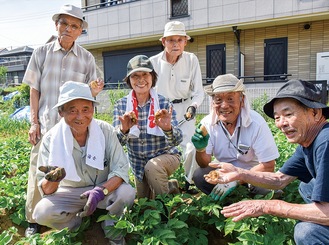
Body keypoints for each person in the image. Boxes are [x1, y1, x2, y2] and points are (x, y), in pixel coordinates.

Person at [205, 79, 329, 244]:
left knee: (306, 231)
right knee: (307, 186)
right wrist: (239, 173)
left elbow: (327, 214)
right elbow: (279, 179)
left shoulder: (325, 142)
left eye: (288, 114)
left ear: (315, 113)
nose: (281, 124)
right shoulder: (308, 141)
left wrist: (268, 206)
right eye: (277, 117)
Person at [22, 4, 104, 237]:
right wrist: (34, 122)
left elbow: (91, 92)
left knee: (76, 169)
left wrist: (94, 91)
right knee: (38, 170)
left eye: (74, 25)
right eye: (64, 23)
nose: (68, 28)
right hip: (47, 123)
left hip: (75, 127)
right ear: (56, 25)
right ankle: (33, 219)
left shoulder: (87, 58)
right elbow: (34, 90)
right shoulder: (41, 53)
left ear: (80, 31)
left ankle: (79, 211)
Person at [33, 81, 135, 244]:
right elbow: (46, 190)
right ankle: (75, 224)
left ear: (93, 110)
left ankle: (112, 227)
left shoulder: (105, 130)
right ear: (61, 112)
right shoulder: (52, 139)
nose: (80, 117)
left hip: (103, 189)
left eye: (85, 110)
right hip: (72, 193)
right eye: (72, 111)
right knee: (42, 212)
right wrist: (53, 179)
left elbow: (121, 169)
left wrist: (100, 191)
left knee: (127, 193)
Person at [192, 74, 280, 201]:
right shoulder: (207, 124)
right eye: (218, 100)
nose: (224, 106)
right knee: (200, 175)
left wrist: (237, 178)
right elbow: (204, 163)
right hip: (223, 175)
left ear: (242, 100)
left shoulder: (256, 123)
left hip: (252, 174)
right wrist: (200, 149)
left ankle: (247, 204)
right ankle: (228, 205)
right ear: (213, 103)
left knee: (269, 190)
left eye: (230, 99)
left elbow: (268, 166)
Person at [113, 55, 183, 199]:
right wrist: (124, 130)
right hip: (138, 164)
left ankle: (167, 211)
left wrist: (167, 128)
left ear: (152, 77)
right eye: (135, 76)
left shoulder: (163, 103)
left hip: (166, 157)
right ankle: (170, 186)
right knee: (144, 205)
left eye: (145, 74)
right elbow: (115, 143)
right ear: (129, 79)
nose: (141, 80)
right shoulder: (121, 105)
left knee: (153, 168)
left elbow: (177, 140)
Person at [150, 21, 204, 194]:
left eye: (179, 40)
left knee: (191, 147)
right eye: (171, 40)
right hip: (162, 112)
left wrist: (193, 106)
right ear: (163, 41)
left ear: (185, 42)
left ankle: (190, 182)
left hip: (185, 109)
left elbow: (198, 91)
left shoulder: (191, 59)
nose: (175, 44)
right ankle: (161, 184)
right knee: (160, 150)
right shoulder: (153, 63)